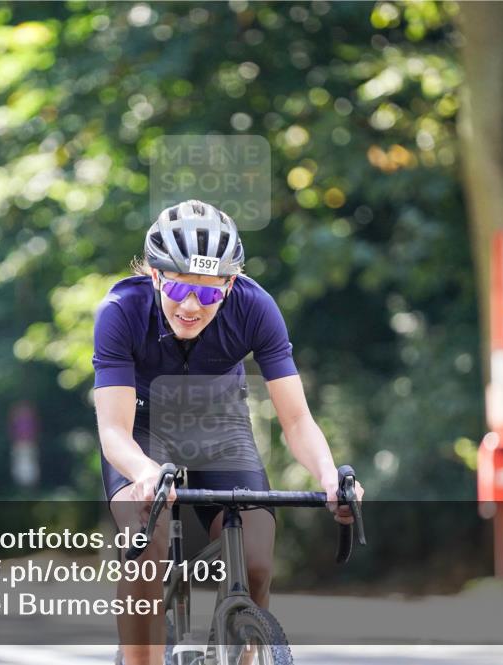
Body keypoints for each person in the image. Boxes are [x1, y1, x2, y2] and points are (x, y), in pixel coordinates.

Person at [93, 200, 363, 665]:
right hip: (142, 436)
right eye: (178, 287)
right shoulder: (121, 310)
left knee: (256, 562)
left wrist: (327, 477)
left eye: (210, 294)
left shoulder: (256, 308)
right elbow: (114, 430)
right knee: (146, 548)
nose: (193, 306)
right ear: (156, 276)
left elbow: (297, 420)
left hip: (220, 431)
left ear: (230, 285)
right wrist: (144, 472)